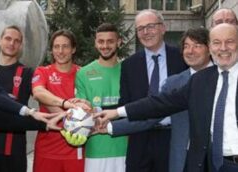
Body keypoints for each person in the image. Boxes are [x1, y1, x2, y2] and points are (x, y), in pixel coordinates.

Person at [95, 23, 238, 172]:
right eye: (217, 42)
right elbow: (158, 105)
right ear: (211, 46)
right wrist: (115, 114)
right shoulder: (199, 81)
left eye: (229, 42)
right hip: (209, 163)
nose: (223, 48)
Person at [104, 9, 187, 172]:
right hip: (139, 138)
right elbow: (125, 104)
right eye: (140, 29)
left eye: (150, 26)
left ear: (163, 28)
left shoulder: (182, 57)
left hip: (173, 137)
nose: (145, 32)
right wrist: (99, 112)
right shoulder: (129, 65)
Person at [31, 29, 87, 172]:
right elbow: (38, 93)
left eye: (65, 46)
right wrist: (65, 104)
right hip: (47, 148)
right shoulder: (43, 71)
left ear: (73, 49)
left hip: (75, 150)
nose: (60, 51)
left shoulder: (83, 73)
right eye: (56, 47)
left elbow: (88, 106)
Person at [75, 23, 127, 172]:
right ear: (95, 43)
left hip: (126, 150)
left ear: (119, 42)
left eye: (110, 41)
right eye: (101, 41)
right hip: (96, 151)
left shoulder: (129, 70)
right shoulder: (84, 73)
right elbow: (83, 112)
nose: (105, 46)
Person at [0, 25, 34, 172]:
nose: (12, 43)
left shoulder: (27, 72)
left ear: (21, 45)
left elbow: (41, 94)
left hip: (13, 149)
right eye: (8, 38)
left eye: (16, 41)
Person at [162, 27, 213, 172]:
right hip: (184, 161)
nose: (190, 51)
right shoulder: (173, 83)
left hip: (218, 160)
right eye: (186, 46)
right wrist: (112, 124)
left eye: (197, 46)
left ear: (209, 49)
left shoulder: (225, 77)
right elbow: (150, 113)